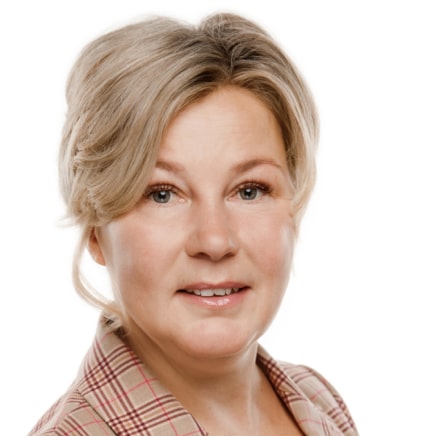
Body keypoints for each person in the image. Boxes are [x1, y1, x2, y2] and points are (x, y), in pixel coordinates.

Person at [30, 12, 358, 435]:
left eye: (250, 190)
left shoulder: (318, 400)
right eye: (162, 194)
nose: (215, 240)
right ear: (95, 229)